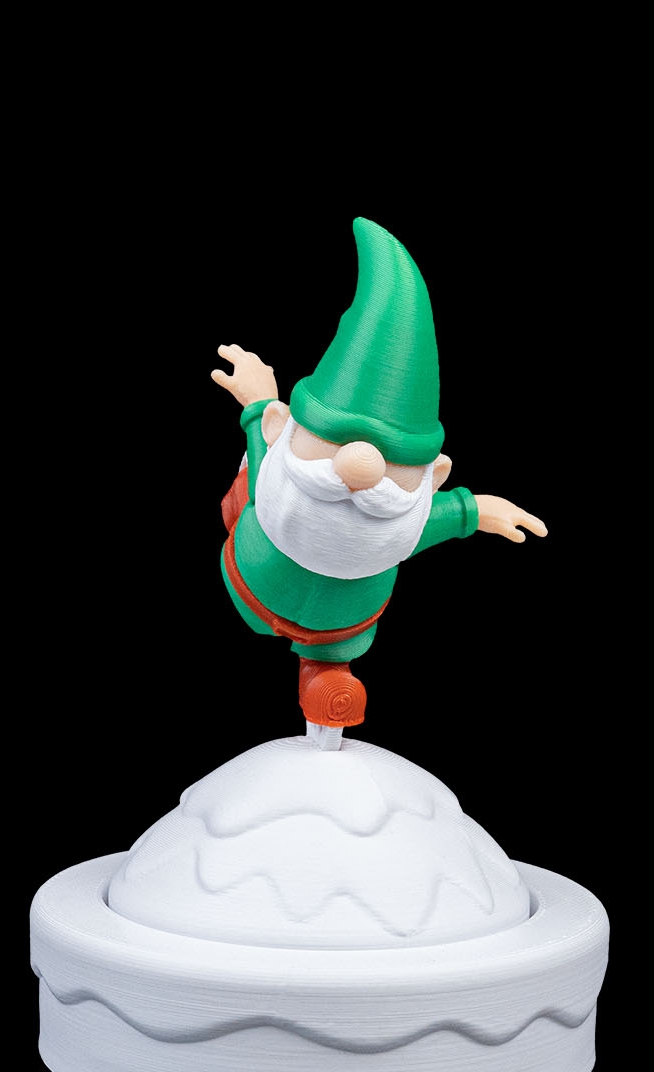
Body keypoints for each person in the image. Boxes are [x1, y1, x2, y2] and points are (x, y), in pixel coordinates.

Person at [213, 219, 546, 730]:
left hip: (337, 629)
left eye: (392, 461)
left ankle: (323, 674)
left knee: (333, 661)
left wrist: (477, 509)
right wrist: (259, 403)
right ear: (285, 427)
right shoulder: (280, 476)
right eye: (336, 441)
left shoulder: (398, 523)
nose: (359, 470)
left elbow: (439, 517)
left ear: (434, 477)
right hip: (249, 580)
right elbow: (264, 445)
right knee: (244, 493)